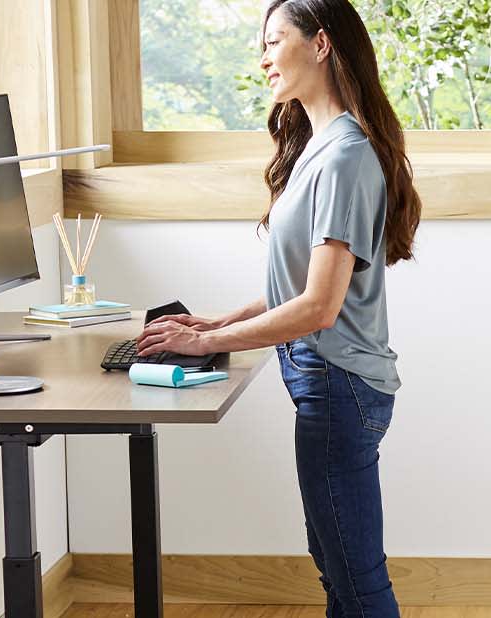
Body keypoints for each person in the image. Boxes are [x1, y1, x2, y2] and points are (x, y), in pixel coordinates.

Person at [134, 0, 422, 614]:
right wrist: (220, 321)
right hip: (331, 385)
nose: (263, 58)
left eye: (274, 41)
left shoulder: (344, 157)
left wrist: (204, 345)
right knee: (337, 569)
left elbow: (319, 307)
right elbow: (303, 284)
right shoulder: (322, 148)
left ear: (321, 45)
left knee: (356, 577)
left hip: (337, 386)